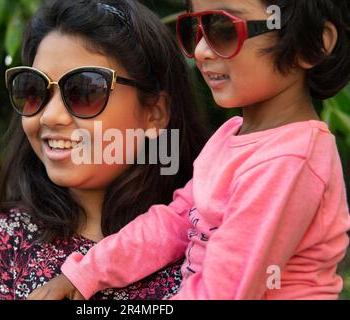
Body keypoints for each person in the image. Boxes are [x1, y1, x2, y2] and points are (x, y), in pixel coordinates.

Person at [29, 0, 350, 300]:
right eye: (195, 29)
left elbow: (224, 291)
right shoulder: (233, 136)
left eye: (223, 29)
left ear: (314, 44)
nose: (201, 51)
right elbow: (176, 222)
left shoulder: (289, 160)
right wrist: (84, 274)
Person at [0, 0, 209, 300]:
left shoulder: (206, 234)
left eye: (84, 91)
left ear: (154, 113)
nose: (50, 116)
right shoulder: (10, 241)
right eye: (34, 89)